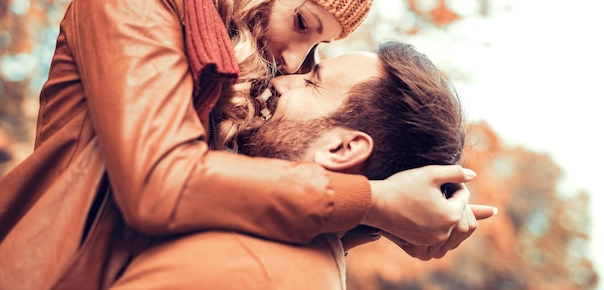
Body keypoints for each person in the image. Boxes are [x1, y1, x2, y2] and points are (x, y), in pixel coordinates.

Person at [0, 0, 492, 289]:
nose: (294, 63)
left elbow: (236, 197)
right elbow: (160, 185)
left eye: (316, 50)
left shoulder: (235, 86)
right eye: (301, 26)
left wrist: (392, 220)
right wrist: (376, 201)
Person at [109, 41, 496, 290]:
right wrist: (378, 220)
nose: (283, 81)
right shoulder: (297, 255)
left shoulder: (257, 267)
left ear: (342, 149)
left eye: (312, 82)